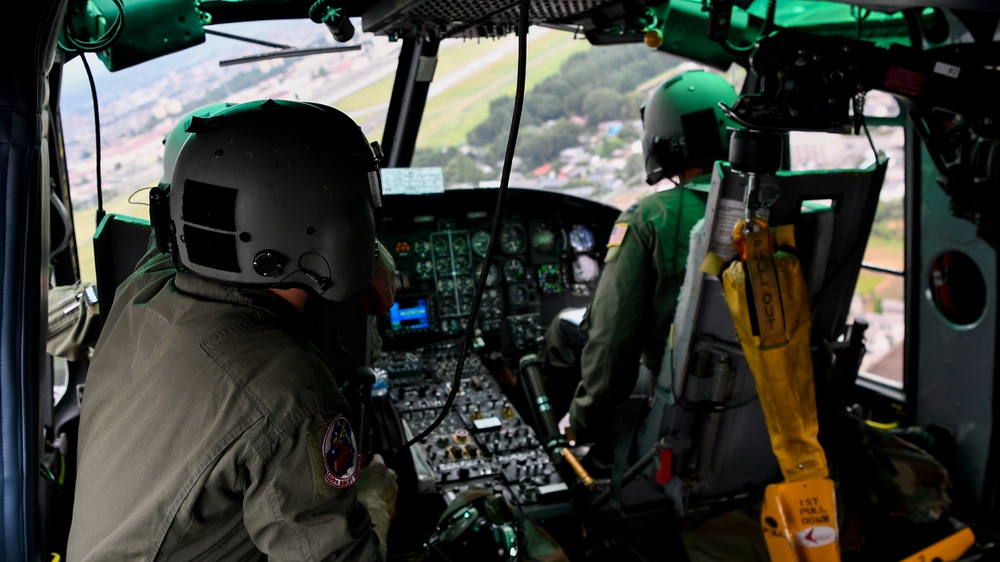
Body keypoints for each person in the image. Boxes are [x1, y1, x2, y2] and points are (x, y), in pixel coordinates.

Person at [67, 99, 398, 561]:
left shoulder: (147, 283)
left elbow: (234, 190)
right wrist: (374, 501)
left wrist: (367, 253)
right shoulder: (288, 391)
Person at [541, 69, 740, 455]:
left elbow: (613, 343)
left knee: (563, 332)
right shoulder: (780, 204)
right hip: (755, 392)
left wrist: (580, 426)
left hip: (680, 394)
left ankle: (548, 447)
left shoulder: (650, 218)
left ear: (665, 141)